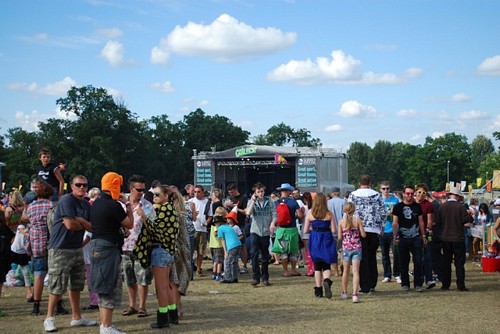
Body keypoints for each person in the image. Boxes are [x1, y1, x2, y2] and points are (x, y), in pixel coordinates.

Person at [43, 175, 97, 333]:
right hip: (60, 248)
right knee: (56, 285)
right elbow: (69, 225)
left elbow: (92, 227)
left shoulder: (86, 205)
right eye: (78, 185)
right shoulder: (67, 200)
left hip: (76, 248)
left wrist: (81, 221)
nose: (82, 187)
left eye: (84, 185)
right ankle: (49, 318)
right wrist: (83, 224)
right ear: (71, 186)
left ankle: (77, 317)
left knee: (76, 285)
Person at [90, 172, 133, 334]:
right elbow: (130, 224)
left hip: (97, 245)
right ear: (115, 185)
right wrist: (127, 205)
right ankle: (106, 327)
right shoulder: (113, 205)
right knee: (109, 285)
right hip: (108, 249)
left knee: (102, 285)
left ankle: (105, 324)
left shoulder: (96, 203)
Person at [146, 184, 180, 328]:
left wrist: (143, 217)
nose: (154, 197)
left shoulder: (164, 209)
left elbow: (156, 229)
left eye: (157, 194)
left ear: (166, 196)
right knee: (166, 285)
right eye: (154, 194)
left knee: (161, 287)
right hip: (167, 251)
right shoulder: (170, 208)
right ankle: (173, 315)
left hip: (160, 250)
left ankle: (163, 319)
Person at [121, 175, 154, 319]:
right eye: (138, 189)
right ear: (131, 189)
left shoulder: (147, 205)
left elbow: (154, 227)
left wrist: (144, 216)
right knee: (129, 278)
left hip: (141, 247)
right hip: (124, 246)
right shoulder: (121, 204)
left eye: (143, 190)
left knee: (142, 278)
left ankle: (142, 306)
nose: (141, 192)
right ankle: (132, 305)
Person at [347, 175, 386, 294]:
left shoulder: (353, 195)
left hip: (358, 229)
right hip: (373, 229)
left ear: (359, 183)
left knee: (362, 258)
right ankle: (372, 283)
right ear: (370, 183)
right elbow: (383, 212)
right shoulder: (377, 195)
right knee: (372, 256)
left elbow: (348, 212)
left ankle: (364, 286)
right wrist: (382, 227)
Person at [22, 178, 54, 314]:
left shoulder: (31, 207)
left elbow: (24, 218)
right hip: (51, 243)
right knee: (54, 274)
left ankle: (36, 305)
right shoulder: (52, 206)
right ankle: (57, 304)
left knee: (38, 275)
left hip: (36, 244)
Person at [436, 187, 473, 291]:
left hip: (445, 238)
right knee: (459, 264)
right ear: (457, 196)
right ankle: (460, 285)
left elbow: (438, 222)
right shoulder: (460, 207)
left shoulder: (442, 207)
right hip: (458, 238)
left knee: (446, 263)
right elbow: (467, 223)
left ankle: (445, 284)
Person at [392, 185, 427, 292]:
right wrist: (395, 236)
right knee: (403, 261)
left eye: (412, 194)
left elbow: (421, 221)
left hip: (416, 237)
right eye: (408, 193)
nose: (410, 196)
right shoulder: (398, 207)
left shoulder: (417, 207)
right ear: (404, 194)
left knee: (418, 261)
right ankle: (405, 284)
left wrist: (424, 235)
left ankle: (418, 284)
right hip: (402, 238)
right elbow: (395, 223)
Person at [303, 193, 337, 299]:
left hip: (315, 238)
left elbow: (305, 230)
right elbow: (334, 230)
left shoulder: (310, 213)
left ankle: (318, 289)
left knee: (317, 266)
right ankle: (327, 280)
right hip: (326, 237)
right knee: (326, 264)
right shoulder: (329, 214)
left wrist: (313, 229)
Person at [168, 188, 193, 324]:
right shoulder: (180, 213)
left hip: (177, 250)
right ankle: (177, 306)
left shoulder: (179, 215)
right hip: (177, 249)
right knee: (173, 281)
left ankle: (176, 307)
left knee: (174, 281)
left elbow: (181, 236)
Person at [245, 182, 276, 286]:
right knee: (253, 254)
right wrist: (253, 200)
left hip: (266, 231)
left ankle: (265, 277)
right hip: (255, 231)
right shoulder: (252, 201)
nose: (261, 193)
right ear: (255, 192)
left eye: (262, 191)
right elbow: (248, 213)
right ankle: (255, 277)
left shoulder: (270, 201)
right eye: (258, 192)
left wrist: (272, 223)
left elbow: (274, 214)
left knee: (265, 256)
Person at [271, 183, 303, 277]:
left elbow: (274, 216)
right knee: (293, 251)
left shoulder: (276, 203)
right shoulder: (293, 202)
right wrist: (295, 216)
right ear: (288, 191)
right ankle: (293, 270)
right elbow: (300, 215)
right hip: (292, 229)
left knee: (283, 252)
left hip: (281, 230)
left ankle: (285, 271)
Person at [338, 202, 366, 303]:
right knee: (355, 272)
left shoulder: (341, 222)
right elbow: (363, 235)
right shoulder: (357, 220)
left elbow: (340, 237)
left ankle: (345, 292)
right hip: (357, 247)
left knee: (345, 271)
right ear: (354, 210)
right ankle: (355, 294)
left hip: (346, 248)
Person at [378, 181, 401, 284]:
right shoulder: (378, 200)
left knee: (396, 253)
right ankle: (387, 275)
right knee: (384, 254)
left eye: (387, 188)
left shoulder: (395, 200)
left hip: (393, 230)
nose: (386, 190)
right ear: (380, 190)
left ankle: (397, 274)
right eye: (383, 189)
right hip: (382, 230)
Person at [415, 183, 436, 289]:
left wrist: (426, 234)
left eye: (423, 193)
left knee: (427, 257)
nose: (421, 195)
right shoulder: (412, 203)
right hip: (413, 234)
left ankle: (428, 279)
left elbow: (430, 220)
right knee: (417, 258)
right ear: (416, 192)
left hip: (425, 234)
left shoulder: (428, 205)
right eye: (419, 192)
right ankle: (418, 279)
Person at [225, 183, 249, 274]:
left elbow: (245, 212)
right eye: (230, 192)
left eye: (232, 192)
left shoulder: (243, 198)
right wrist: (227, 207)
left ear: (236, 190)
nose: (231, 194)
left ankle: (245, 266)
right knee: (231, 246)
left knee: (242, 246)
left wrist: (236, 207)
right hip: (231, 225)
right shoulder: (230, 199)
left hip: (240, 224)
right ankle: (235, 265)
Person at [189, 185, 212, 277]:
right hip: (192, 228)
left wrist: (206, 222)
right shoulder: (190, 202)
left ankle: (198, 268)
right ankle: (190, 268)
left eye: (198, 192)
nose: (196, 194)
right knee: (190, 250)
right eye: (195, 192)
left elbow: (210, 215)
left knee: (201, 251)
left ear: (202, 192)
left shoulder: (207, 202)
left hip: (202, 229)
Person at [218, 208, 243, 284]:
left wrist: (225, 251)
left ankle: (227, 277)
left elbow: (222, 240)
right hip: (238, 244)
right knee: (234, 262)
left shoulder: (220, 228)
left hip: (231, 246)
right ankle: (234, 277)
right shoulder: (229, 227)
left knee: (227, 261)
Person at [327, 187, 345, 277]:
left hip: (330, 229)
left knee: (332, 251)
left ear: (332, 193)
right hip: (341, 229)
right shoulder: (343, 202)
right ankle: (342, 264)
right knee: (341, 250)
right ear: (339, 192)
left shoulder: (328, 203)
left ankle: (336, 271)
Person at [209, 209, 226, 281]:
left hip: (213, 244)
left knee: (215, 261)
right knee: (219, 261)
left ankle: (214, 273)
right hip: (218, 244)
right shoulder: (218, 223)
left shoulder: (213, 222)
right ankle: (218, 274)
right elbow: (215, 233)